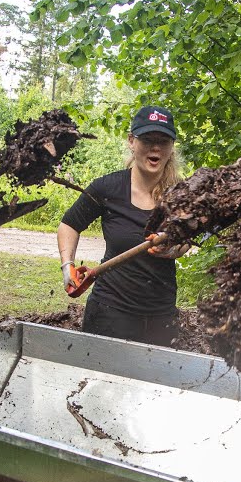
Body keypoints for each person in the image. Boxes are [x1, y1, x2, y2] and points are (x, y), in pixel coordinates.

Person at [57, 106, 188, 346]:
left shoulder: (181, 195)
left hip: (160, 315)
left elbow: (188, 237)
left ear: (171, 147)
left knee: (153, 383)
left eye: (164, 140)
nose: (155, 147)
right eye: (148, 139)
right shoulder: (107, 188)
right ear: (132, 141)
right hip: (109, 311)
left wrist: (175, 249)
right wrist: (68, 265)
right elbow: (69, 224)